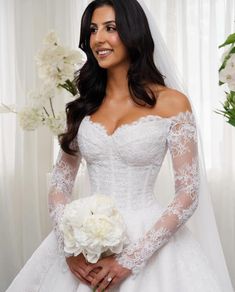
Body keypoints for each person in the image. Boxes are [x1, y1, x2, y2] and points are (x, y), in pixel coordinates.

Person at [6, 0, 234, 291]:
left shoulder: (172, 103)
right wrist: (69, 246)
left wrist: (130, 260)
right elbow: (60, 184)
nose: (98, 38)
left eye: (110, 28)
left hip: (148, 240)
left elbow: (187, 194)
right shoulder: (82, 107)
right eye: (93, 30)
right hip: (82, 245)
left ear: (133, 33)